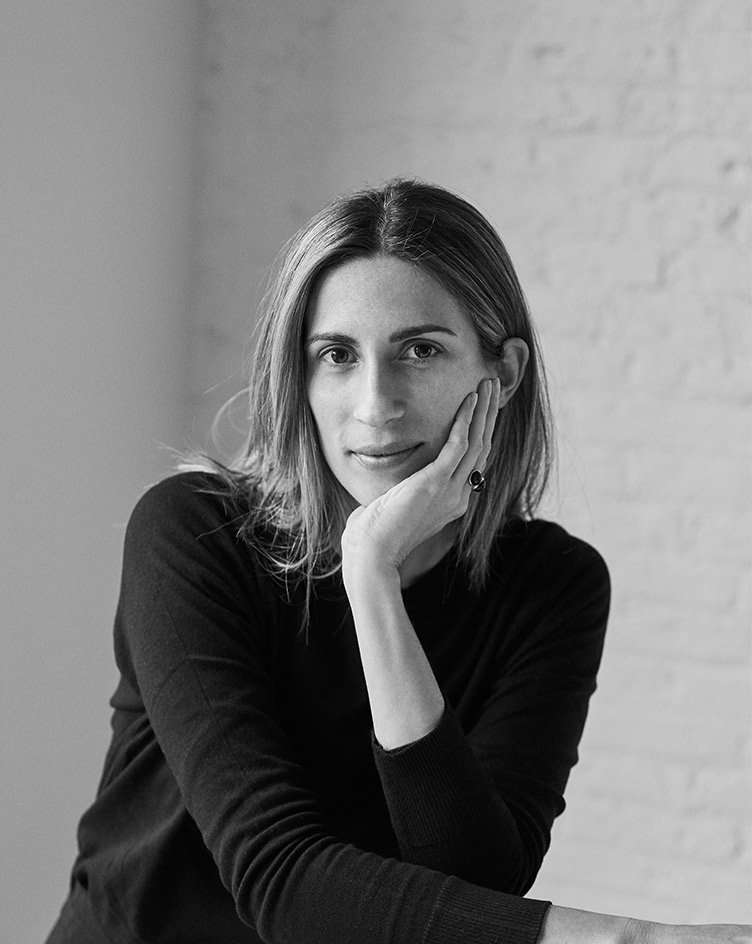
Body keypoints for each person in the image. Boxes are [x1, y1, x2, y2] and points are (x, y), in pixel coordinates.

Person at [45, 179, 750, 944]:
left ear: (503, 373)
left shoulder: (552, 586)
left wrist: (372, 578)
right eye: (337, 355)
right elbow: (278, 878)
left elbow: (473, 884)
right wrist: (631, 939)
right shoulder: (192, 533)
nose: (376, 404)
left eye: (420, 350)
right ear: (299, 377)